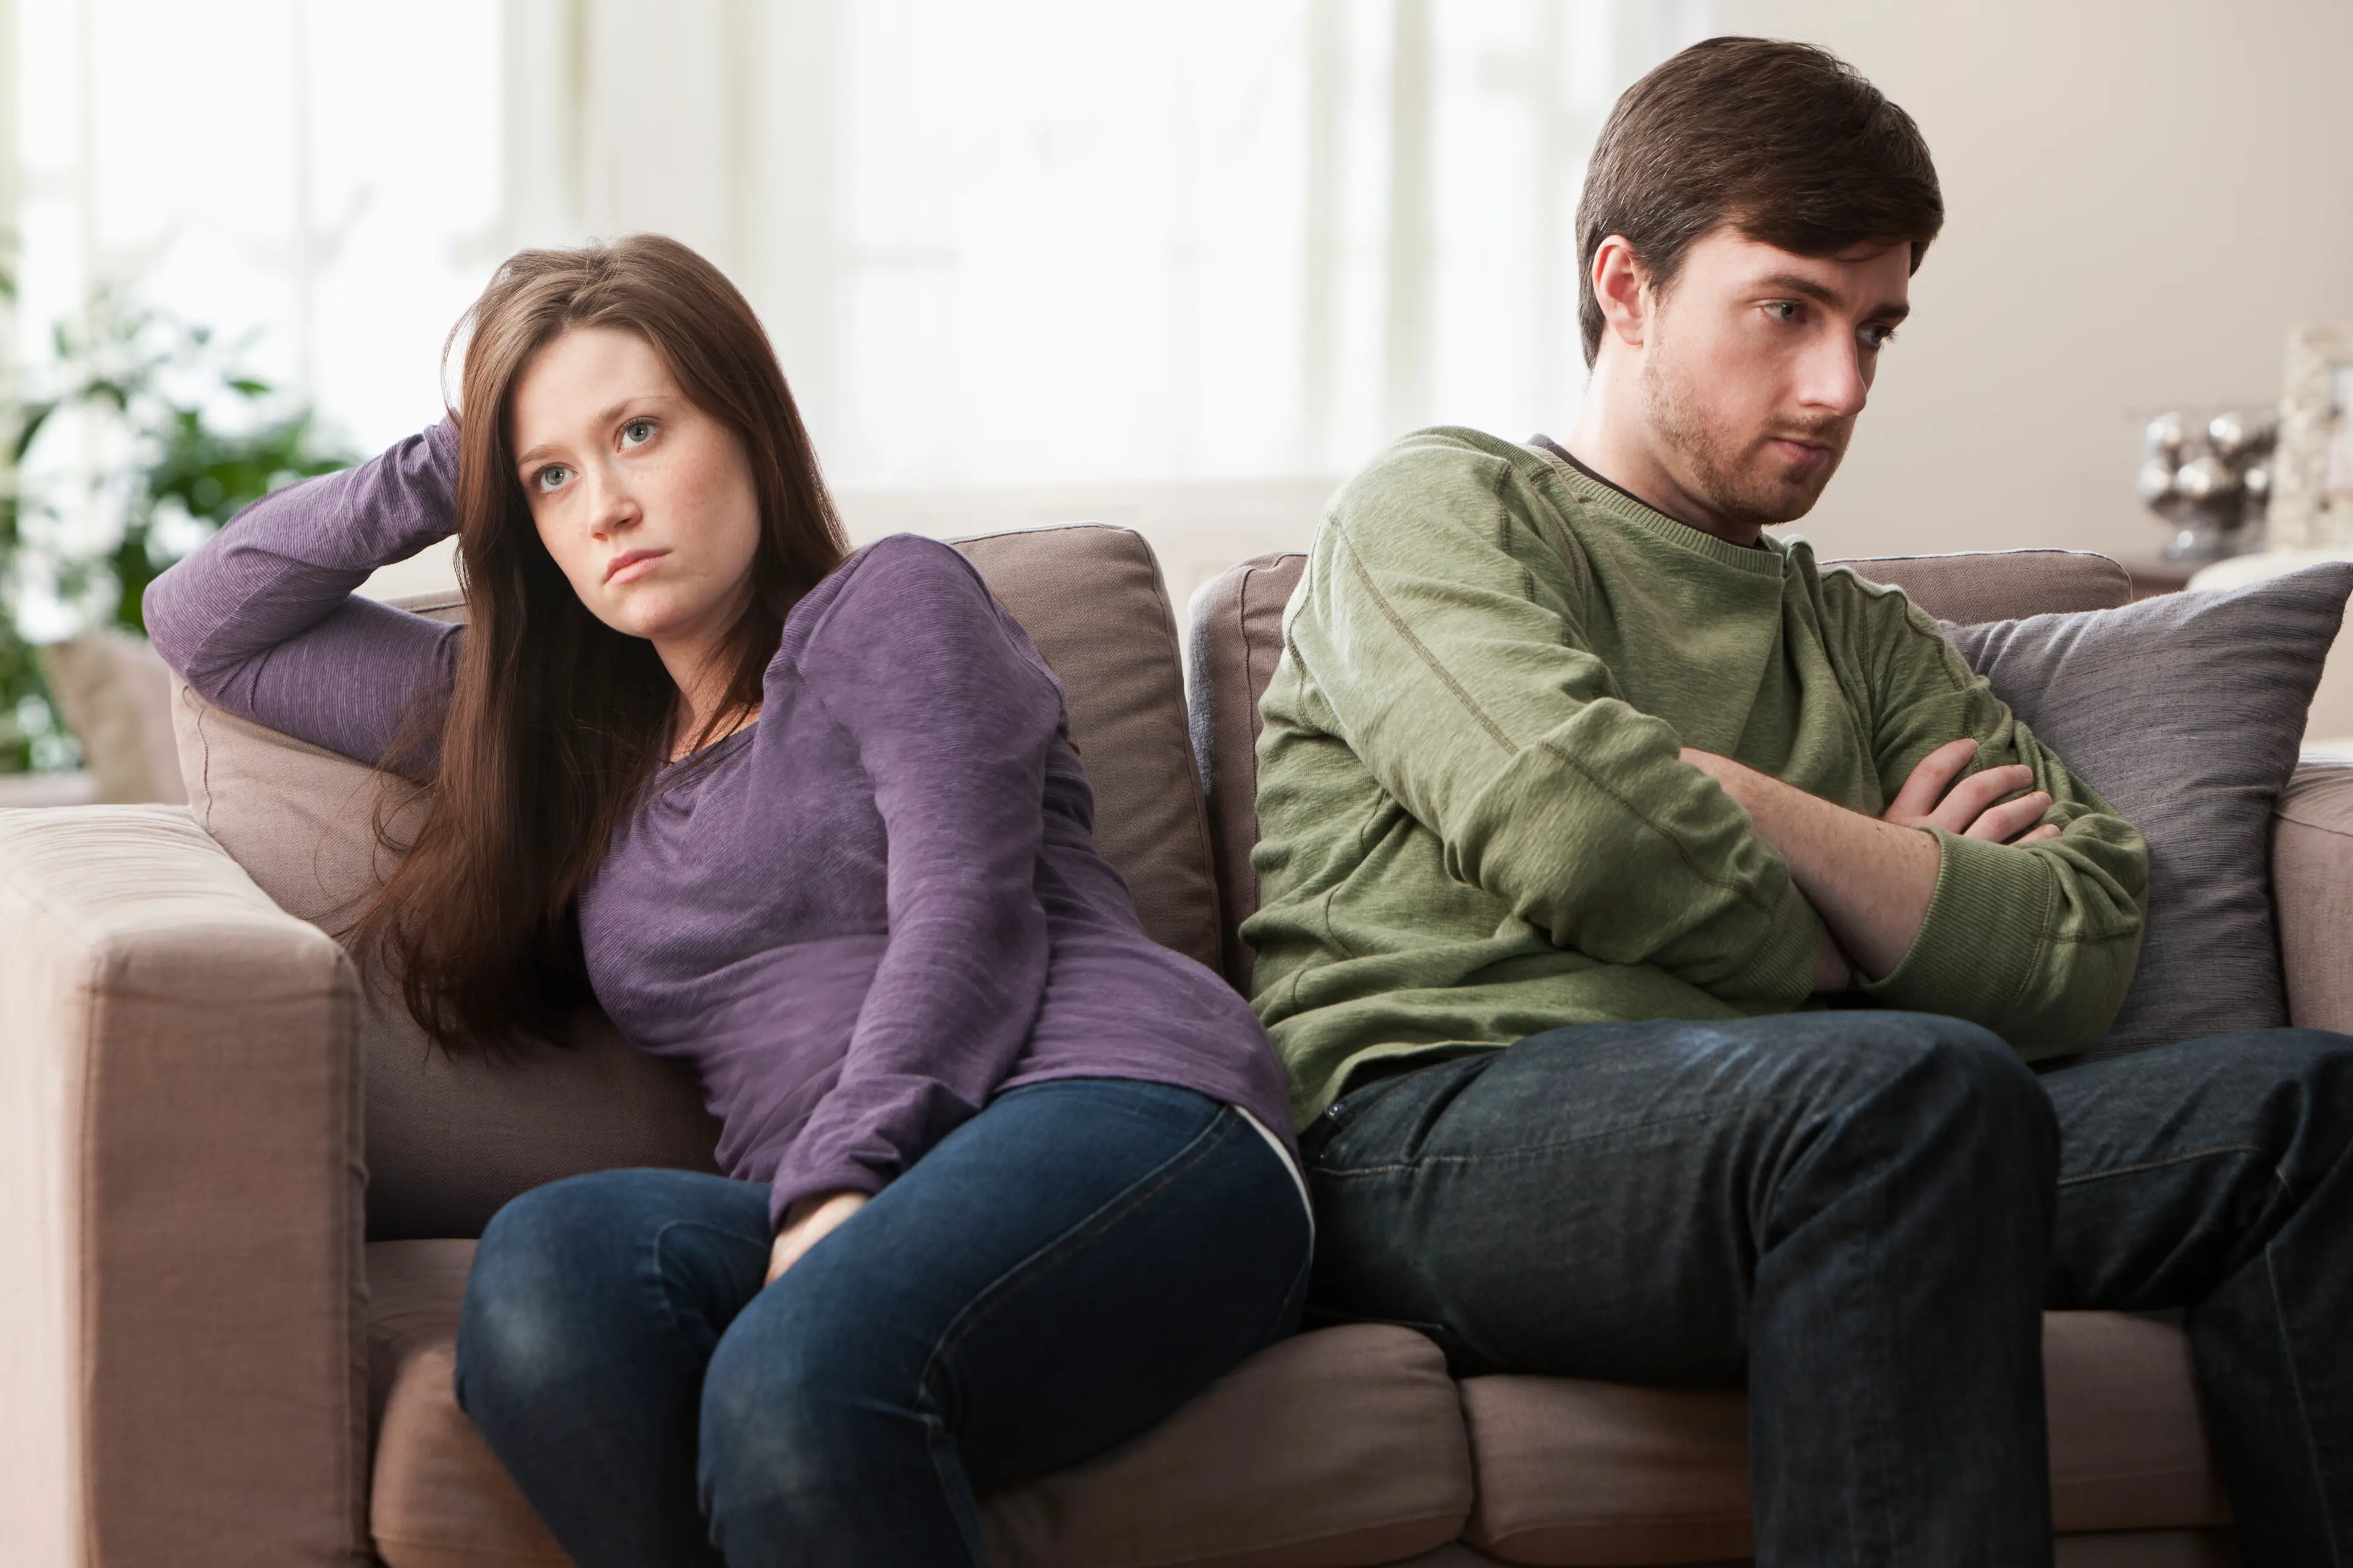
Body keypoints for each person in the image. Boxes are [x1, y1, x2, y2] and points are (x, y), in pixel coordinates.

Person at [1245, 36, 2350, 1567]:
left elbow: (2081, 938)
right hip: (1441, 1127)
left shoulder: (1860, 637)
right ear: (1627, 287)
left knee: (2305, 1111)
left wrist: (1735, 797)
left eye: (1873, 328)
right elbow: (1580, 829)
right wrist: (1877, 916)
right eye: (1788, 309)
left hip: (1844, 1131)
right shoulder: (1438, 508)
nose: (1841, 387)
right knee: (1914, 1084)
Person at [143, 235, 1309, 1567]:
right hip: (854, 1198)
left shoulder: (890, 603)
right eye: (551, 476)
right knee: (548, 1272)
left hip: (1125, 1115)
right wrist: (460, 449)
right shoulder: (558, 745)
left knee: (792, 1376)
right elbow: (206, 621)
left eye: (639, 432)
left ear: (748, 426)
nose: (605, 506)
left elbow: (967, 911)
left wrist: (841, 1183)